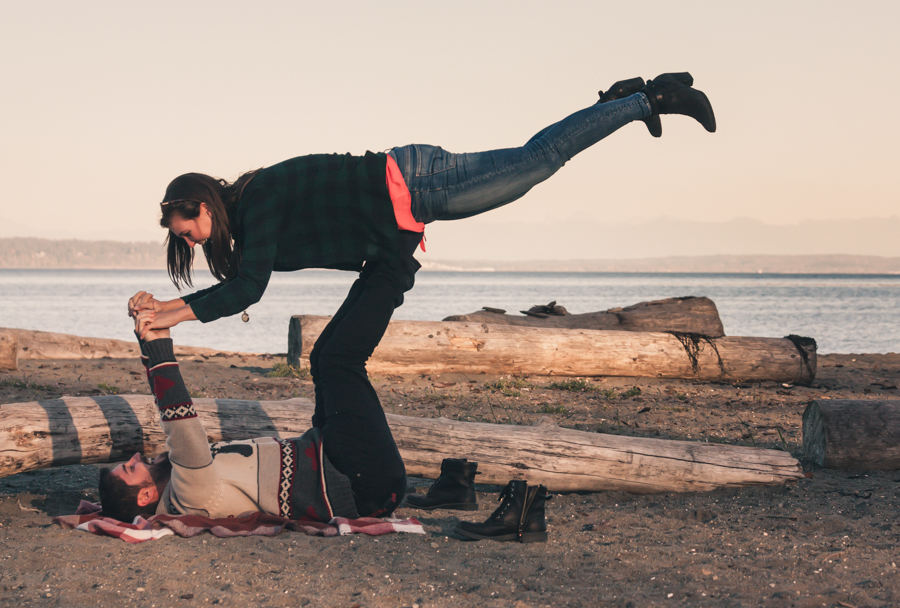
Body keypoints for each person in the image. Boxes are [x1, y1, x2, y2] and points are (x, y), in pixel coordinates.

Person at [126, 74, 716, 518]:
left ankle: (648, 100)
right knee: (535, 164)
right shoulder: (252, 212)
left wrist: (164, 316)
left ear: (202, 206)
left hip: (418, 182)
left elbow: (247, 288)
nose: (194, 241)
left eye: (189, 231)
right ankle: (611, 104)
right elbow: (242, 286)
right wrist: (164, 317)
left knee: (538, 161)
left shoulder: (256, 206)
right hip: (408, 197)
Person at [99, 310, 401, 522]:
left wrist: (148, 341)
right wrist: (159, 348)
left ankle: (381, 272)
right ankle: (390, 270)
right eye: (130, 469)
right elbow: (181, 426)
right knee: (340, 361)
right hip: (358, 481)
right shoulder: (186, 497)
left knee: (323, 358)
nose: (136, 457)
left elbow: (172, 417)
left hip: (331, 451)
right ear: (145, 497)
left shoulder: (178, 479)